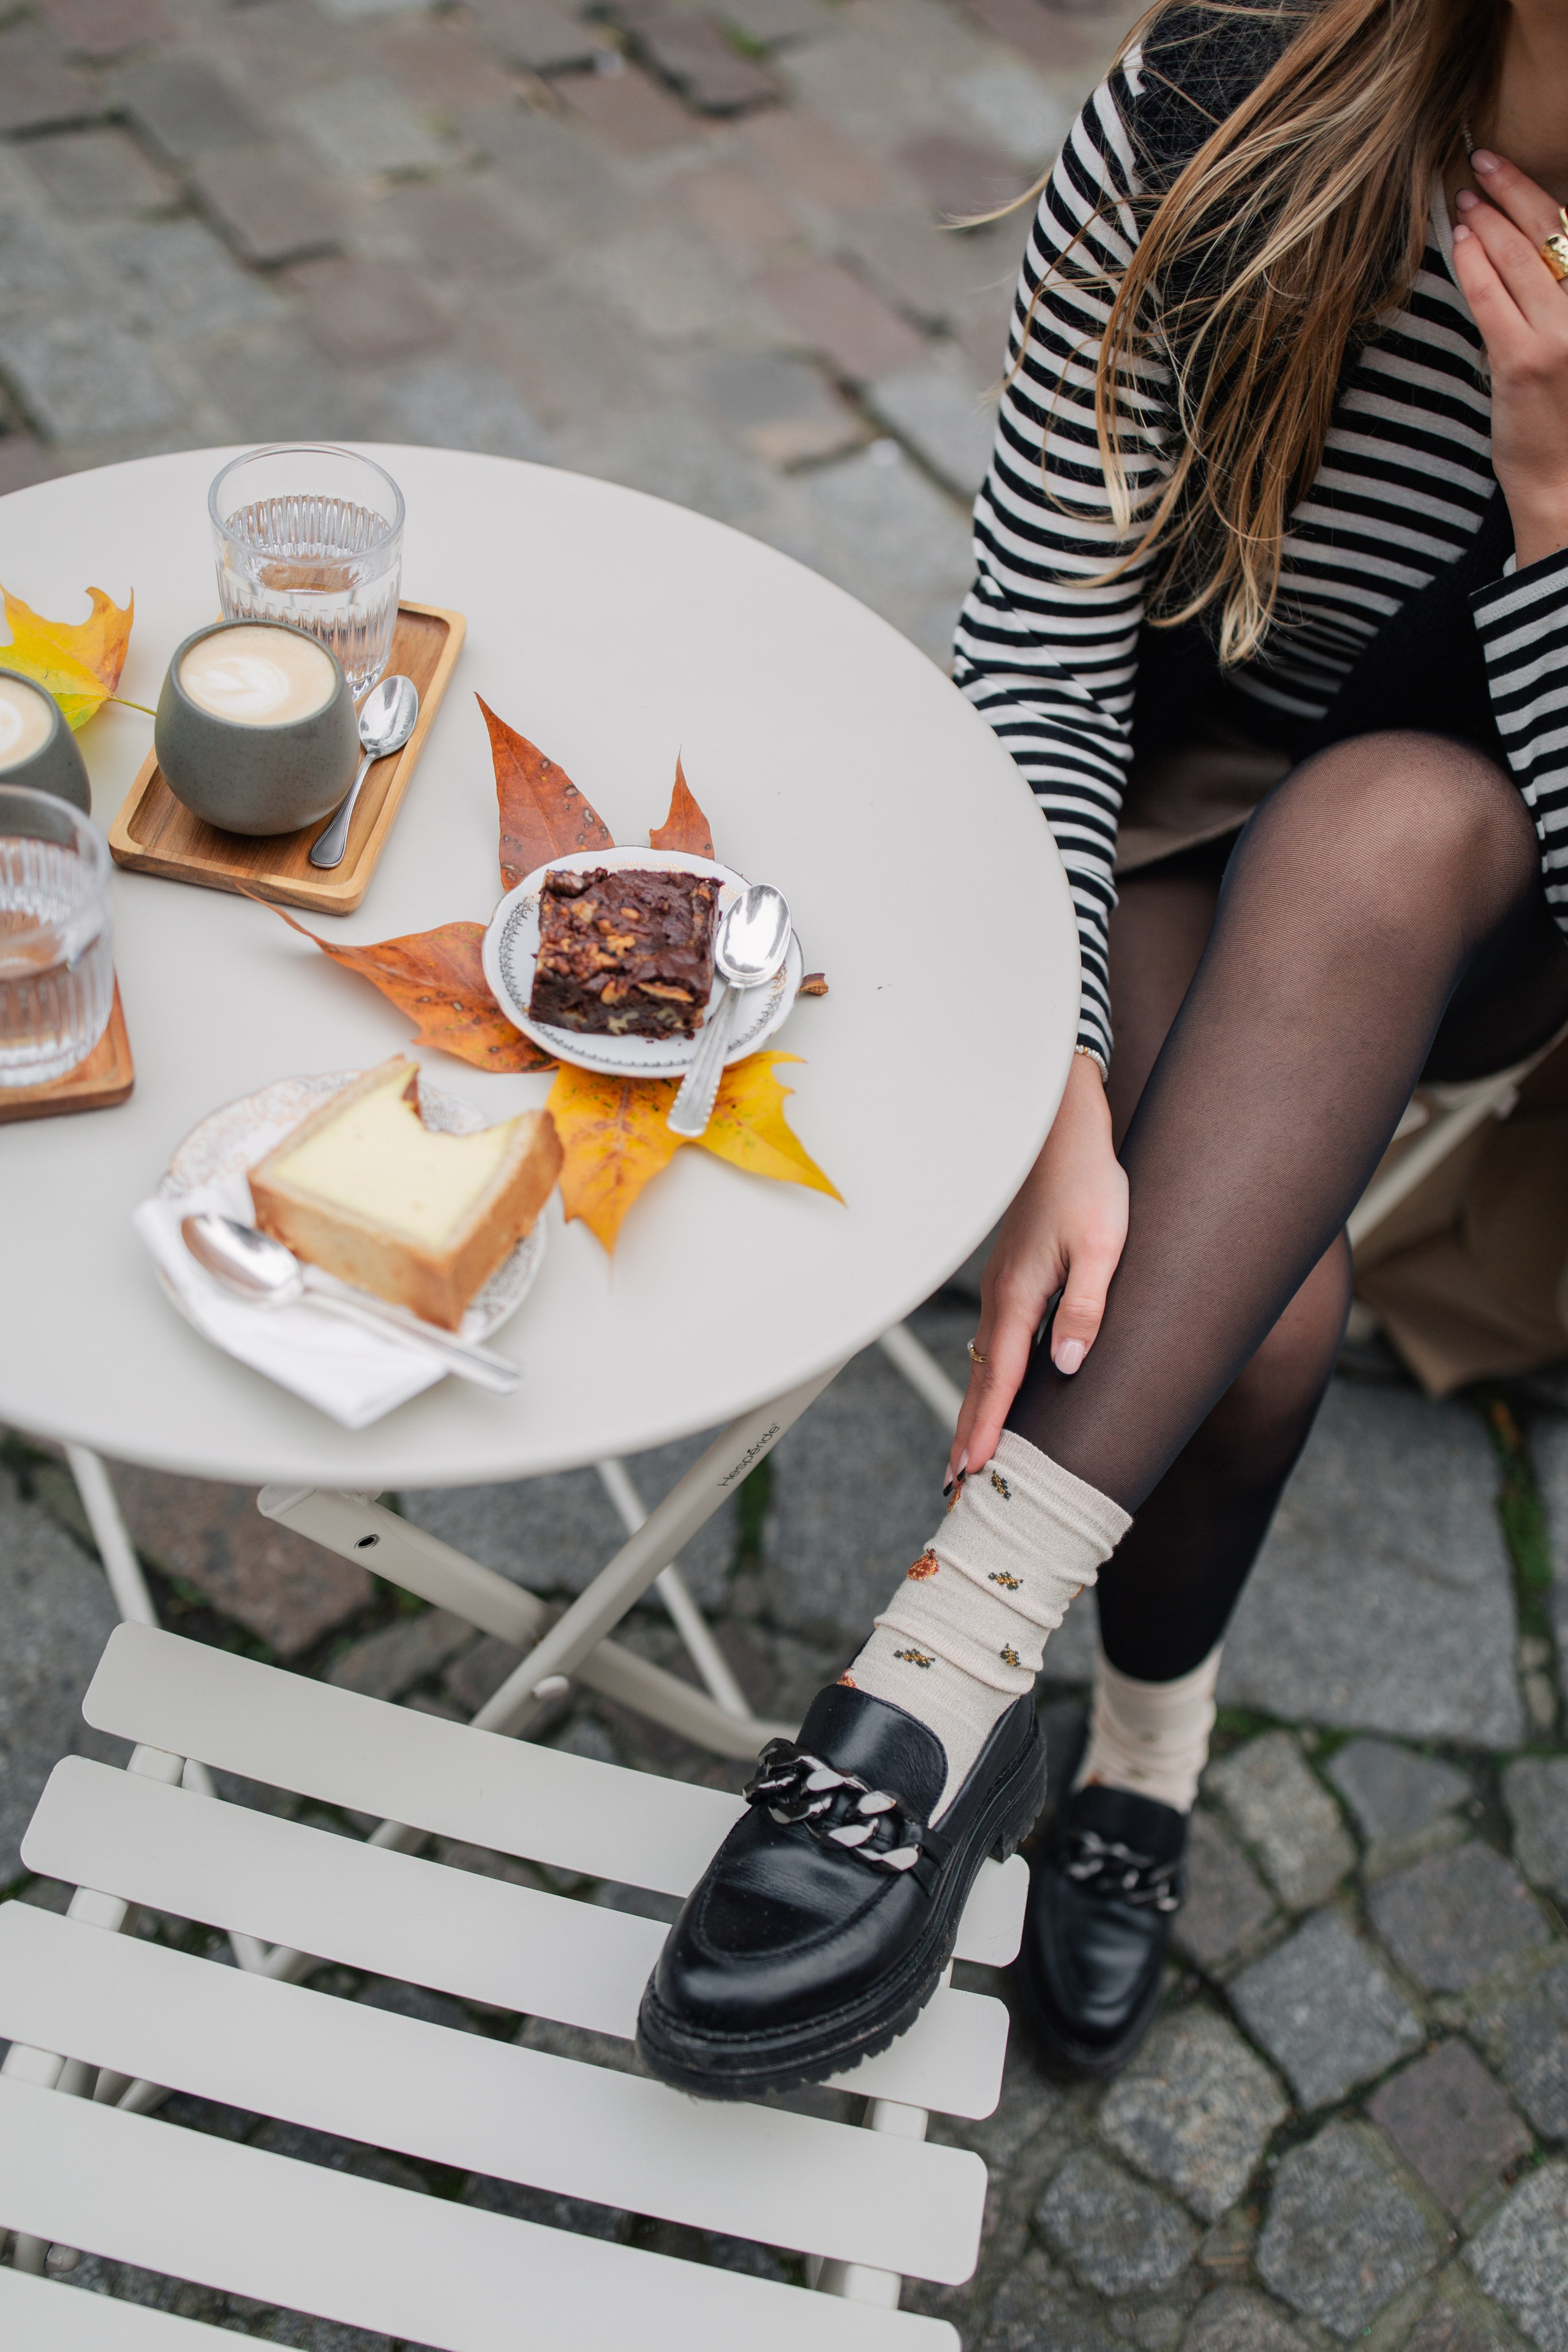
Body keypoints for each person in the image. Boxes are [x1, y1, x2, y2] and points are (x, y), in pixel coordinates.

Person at [636, 0, 1568, 2100]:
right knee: (1244, 1330)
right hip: (1156, 776)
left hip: (1482, 868)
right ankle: (1134, 1751)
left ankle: (930, 1690)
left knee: (1389, 818)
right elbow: (1045, 649)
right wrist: (1058, 1078)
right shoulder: (1220, 106)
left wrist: (1560, 508)